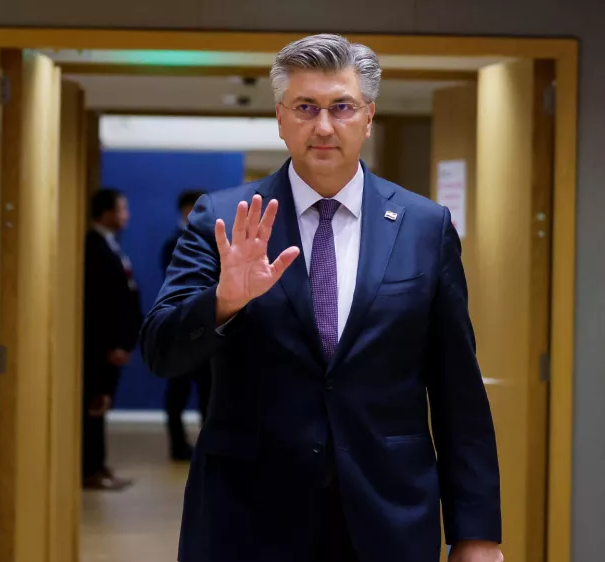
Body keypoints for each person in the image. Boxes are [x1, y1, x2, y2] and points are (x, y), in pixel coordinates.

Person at [140, 34, 503, 562]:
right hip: (247, 518)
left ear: (369, 116)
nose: (325, 126)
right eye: (306, 107)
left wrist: (476, 532)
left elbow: (458, 391)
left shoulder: (424, 226)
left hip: (389, 516)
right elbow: (160, 351)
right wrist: (223, 302)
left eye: (342, 107)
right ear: (281, 117)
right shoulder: (223, 218)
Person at [82, 188, 143, 491]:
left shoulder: (111, 245)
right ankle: (90, 468)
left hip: (116, 343)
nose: (125, 216)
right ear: (104, 212)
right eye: (121, 209)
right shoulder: (93, 247)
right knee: (95, 403)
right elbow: (99, 305)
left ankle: (99, 465)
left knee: (103, 404)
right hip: (102, 348)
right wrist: (112, 344)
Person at [160, 189, 213, 461]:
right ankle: (177, 445)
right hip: (181, 327)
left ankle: (209, 442)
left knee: (209, 388)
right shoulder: (175, 242)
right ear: (186, 210)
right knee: (178, 390)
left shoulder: (209, 240)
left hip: (207, 327)